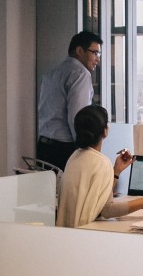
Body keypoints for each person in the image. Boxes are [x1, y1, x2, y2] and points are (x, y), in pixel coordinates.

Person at [57, 105, 143, 228]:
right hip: (84, 234)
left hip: (66, 233)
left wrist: (116, 171)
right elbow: (108, 210)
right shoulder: (101, 162)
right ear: (105, 130)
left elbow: (98, 198)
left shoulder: (75, 157)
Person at [37, 31, 103, 171]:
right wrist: (85, 150)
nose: (98, 59)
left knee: (48, 191)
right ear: (79, 50)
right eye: (95, 53)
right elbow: (78, 118)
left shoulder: (52, 72)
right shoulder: (80, 74)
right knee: (70, 192)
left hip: (43, 146)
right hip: (64, 149)